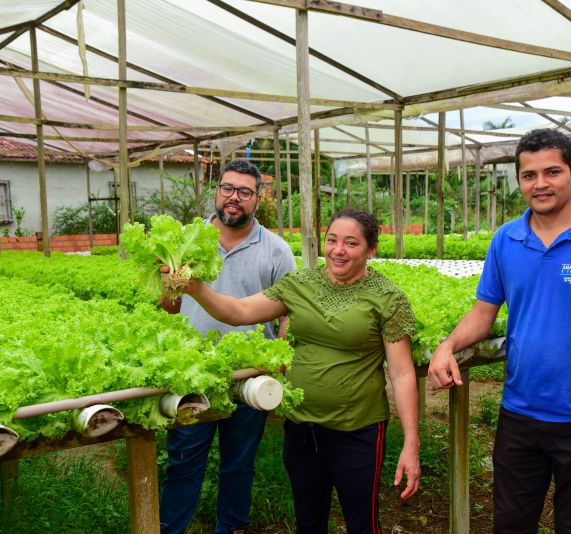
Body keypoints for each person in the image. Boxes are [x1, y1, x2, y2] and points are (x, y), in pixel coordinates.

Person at [428, 128, 571, 533]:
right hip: (520, 416)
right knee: (511, 525)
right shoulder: (506, 239)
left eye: (552, 172)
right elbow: (483, 314)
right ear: (519, 181)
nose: (540, 183)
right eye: (529, 175)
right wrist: (447, 346)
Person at [172, 208, 421, 534]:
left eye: (351, 243)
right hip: (302, 428)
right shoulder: (301, 283)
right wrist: (195, 288)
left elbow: (402, 374)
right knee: (309, 522)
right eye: (332, 240)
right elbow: (241, 310)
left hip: (357, 431)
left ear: (370, 250)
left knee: (362, 525)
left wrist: (411, 443)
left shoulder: (387, 298)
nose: (338, 250)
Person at [159, 159, 297, 534]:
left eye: (245, 192)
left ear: (258, 198)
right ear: (217, 192)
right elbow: (170, 308)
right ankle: (171, 528)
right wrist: (168, 285)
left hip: (250, 371)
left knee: (239, 462)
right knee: (184, 460)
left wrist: (279, 358)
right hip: (193, 371)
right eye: (227, 189)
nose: (234, 198)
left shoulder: (276, 250)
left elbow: (290, 312)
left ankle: (231, 527)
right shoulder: (187, 241)